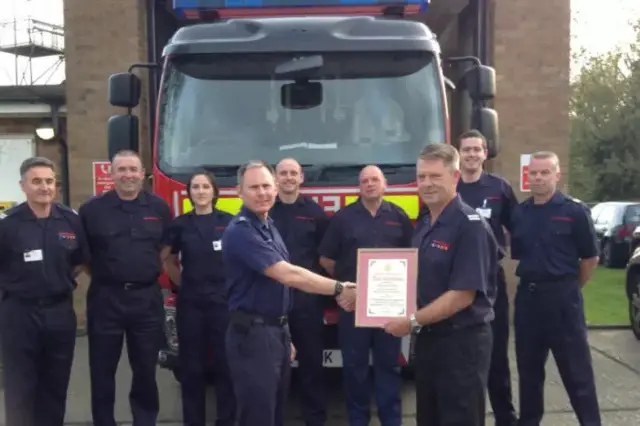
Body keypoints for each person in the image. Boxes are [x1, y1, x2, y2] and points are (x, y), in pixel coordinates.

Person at [221, 160, 356, 426]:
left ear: (275, 189)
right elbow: (287, 274)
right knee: (257, 416)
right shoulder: (242, 231)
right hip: (253, 336)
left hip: (274, 332)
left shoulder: (268, 225)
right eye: (254, 187)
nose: (262, 192)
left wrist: (284, 334)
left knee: (274, 413)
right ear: (239, 191)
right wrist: (339, 287)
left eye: (266, 186)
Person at [384, 143, 498, 426]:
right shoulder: (425, 224)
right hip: (430, 341)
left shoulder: (469, 225)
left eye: (435, 176)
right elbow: (416, 280)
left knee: (459, 418)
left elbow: (462, 295)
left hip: (461, 345)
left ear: (455, 177)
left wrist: (410, 321)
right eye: (422, 177)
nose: (426, 183)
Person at [78, 150, 172, 426]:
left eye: (133, 169)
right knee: (102, 369)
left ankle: (145, 421)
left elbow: (166, 246)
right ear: (111, 174)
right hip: (106, 298)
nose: (128, 175)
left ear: (142, 173)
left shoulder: (158, 207)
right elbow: (84, 254)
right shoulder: (92, 209)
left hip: (146, 299)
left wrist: (149, 268)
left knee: (145, 369)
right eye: (122, 170)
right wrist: (110, 276)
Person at [510, 151, 601, 426]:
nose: (538, 177)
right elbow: (520, 254)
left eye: (544, 172)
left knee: (577, 374)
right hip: (529, 300)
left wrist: (572, 288)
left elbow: (590, 258)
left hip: (562, 300)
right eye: (533, 173)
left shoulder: (574, 211)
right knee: (528, 374)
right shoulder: (520, 213)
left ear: (557, 175)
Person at [318, 165, 414, 426]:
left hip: (388, 309)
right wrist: (347, 285)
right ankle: (358, 421)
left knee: (389, 368)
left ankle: (391, 421)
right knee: (354, 369)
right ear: (358, 188)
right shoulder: (343, 218)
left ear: (385, 185)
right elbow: (326, 259)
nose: (370, 184)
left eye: (375, 180)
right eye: (364, 181)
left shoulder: (399, 216)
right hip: (353, 307)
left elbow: (412, 258)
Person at [0, 157, 90, 426]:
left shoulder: (70, 220)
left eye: (49, 181)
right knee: (20, 386)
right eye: (36, 181)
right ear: (23, 186)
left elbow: (78, 263)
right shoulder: (7, 224)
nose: (44, 187)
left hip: (59, 313)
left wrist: (53, 281)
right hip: (19, 314)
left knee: (55, 384)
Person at [161, 170, 236, 426]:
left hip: (223, 302)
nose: (201, 191)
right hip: (191, 303)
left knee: (225, 364)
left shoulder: (229, 222)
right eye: (196, 187)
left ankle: (226, 420)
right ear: (189, 193)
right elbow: (168, 259)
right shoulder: (180, 224)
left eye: (206, 187)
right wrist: (184, 284)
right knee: (191, 368)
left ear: (214, 192)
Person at [456, 130, 519, 426]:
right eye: (466, 149)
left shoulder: (499, 188)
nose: (471, 155)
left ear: (485, 153)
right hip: (456, 282)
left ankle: (505, 417)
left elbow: (518, 228)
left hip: (491, 282)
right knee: (462, 357)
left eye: (476, 149)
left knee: (496, 355)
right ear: (458, 153)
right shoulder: (448, 187)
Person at [270, 158, 329, 426]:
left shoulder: (315, 213)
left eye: (293, 173)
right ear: (275, 177)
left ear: (301, 178)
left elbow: (324, 255)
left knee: (312, 366)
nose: (289, 178)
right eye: (283, 173)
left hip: (306, 301)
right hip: (272, 300)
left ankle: (314, 420)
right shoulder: (266, 210)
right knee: (272, 366)